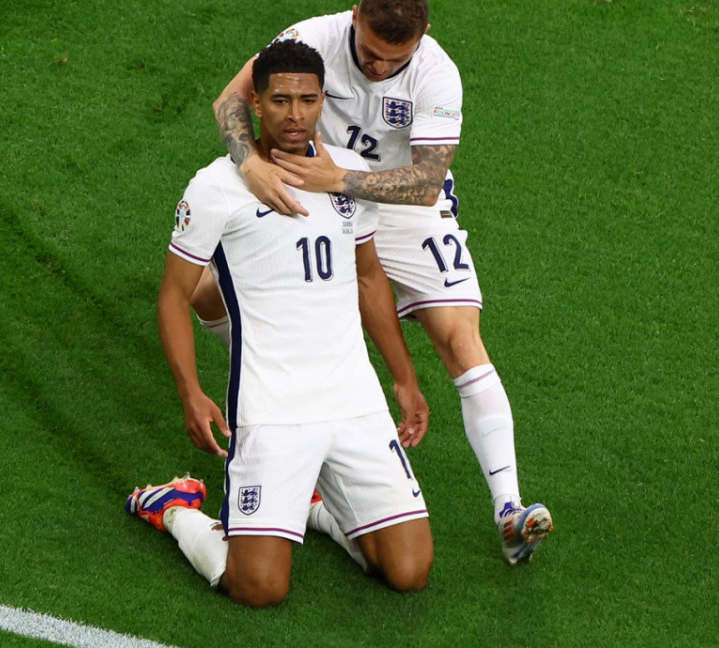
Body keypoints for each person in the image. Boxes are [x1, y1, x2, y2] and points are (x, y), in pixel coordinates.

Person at [201, 0, 553, 565]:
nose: (381, 68)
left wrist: (340, 176)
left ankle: (509, 509)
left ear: (423, 36)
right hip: (306, 187)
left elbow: (428, 182)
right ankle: (284, 392)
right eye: (369, 53)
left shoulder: (437, 74)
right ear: (355, 16)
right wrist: (250, 164)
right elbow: (231, 100)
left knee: (460, 336)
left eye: (397, 59)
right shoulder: (312, 37)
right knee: (207, 293)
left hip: (393, 202)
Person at [127, 39, 433, 608]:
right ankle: (172, 508)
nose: (296, 115)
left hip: (354, 401)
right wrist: (189, 392)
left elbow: (369, 278)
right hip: (272, 409)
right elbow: (173, 295)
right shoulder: (217, 187)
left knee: (408, 570)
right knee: (259, 587)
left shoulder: (348, 176)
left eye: (309, 100)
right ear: (256, 103)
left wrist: (404, 375)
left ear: (324, 101)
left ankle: (314, 506)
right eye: (281, 100)